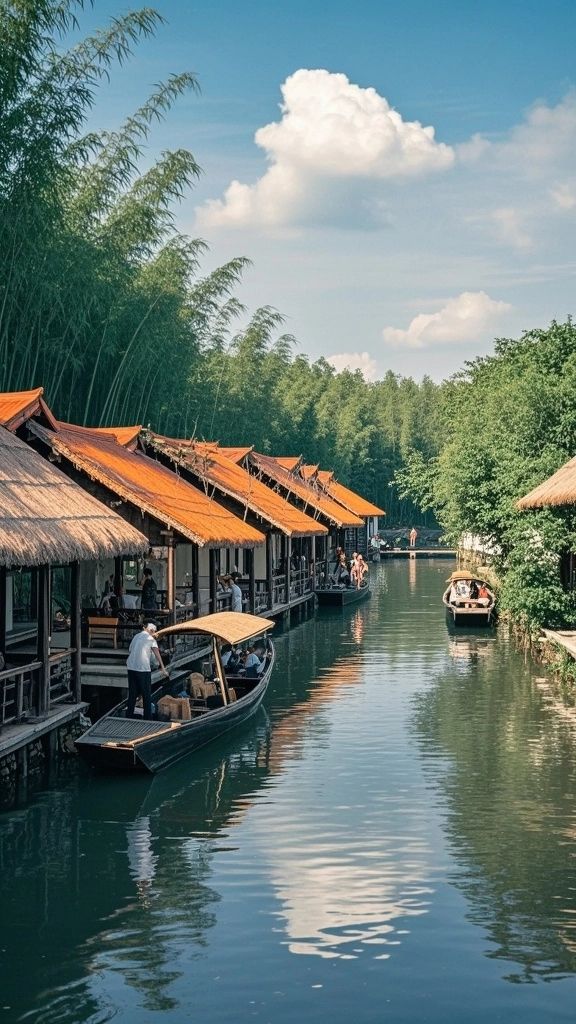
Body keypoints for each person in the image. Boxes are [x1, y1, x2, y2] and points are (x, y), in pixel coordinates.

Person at [126, 622, 168, 719]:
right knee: (146, 694)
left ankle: (129, 715)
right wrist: (163, 667)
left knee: (132, 693)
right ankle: (147, 717)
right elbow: (157, 653)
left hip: (131, 666)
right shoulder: (151, 639)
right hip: (143, 668)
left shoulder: (136, 636)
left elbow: (130, 649)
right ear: (152, 631)